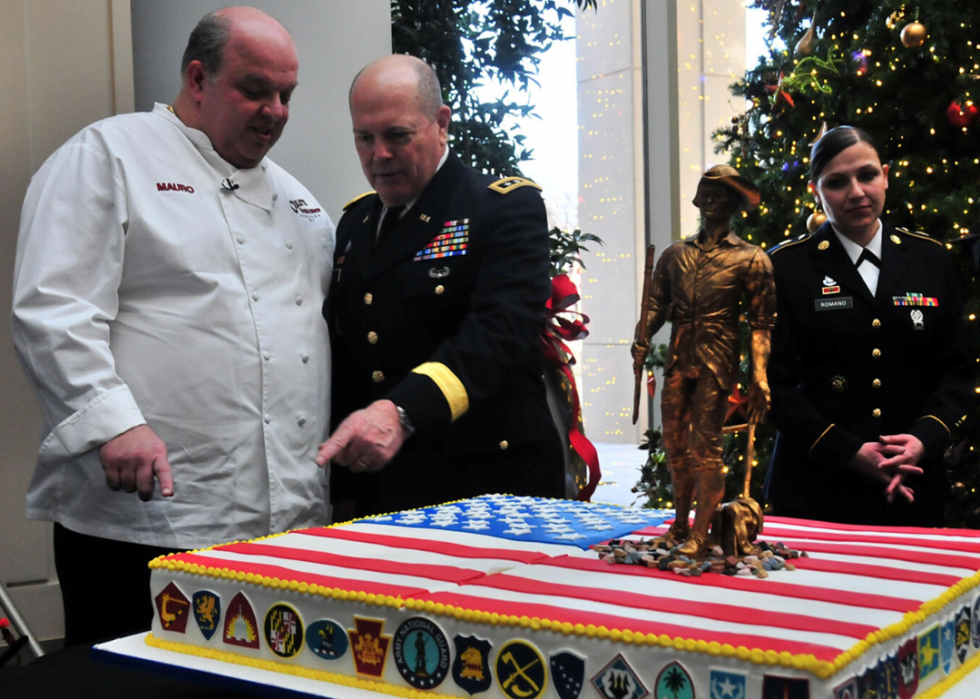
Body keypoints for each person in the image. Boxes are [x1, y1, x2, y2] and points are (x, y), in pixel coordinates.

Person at [11, 7, 334, 645]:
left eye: (286, 94)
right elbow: (54, 306)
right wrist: (114, 422)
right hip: (144, 521)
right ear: (196, 77)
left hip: (281, 520)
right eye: (254, 89)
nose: (275, 110)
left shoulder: (301, 202)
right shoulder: (109, 153)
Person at [317, 55, 564, 518]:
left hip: (491, 486)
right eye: (364, 138)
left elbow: (497, 334)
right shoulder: (355, 223)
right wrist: (345, 488)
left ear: (441, 123)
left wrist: (401, 411)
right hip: (386, 491)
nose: (379, 155)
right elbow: (353, 359)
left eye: (397, 136)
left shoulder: (502, 209)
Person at [764, 126, 972, 526]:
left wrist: (924, 440)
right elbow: (774, 385)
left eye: (867, 175)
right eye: (837, 182)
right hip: (814, 489)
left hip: (913, 485)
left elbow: (956, 373)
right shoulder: (784, 268)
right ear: (815, 191)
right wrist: (848, 451)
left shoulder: (931, 260)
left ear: (886, 176)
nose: (856, 192)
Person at [631, 165, 776, 556]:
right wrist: (641, 335)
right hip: (679, 357)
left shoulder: (752, 259)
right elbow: (657, 305)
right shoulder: (674, 255)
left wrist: (759, 376)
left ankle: (701, 531)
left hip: (717, 358)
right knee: (674, 443)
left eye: (720, 193)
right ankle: (679, 526)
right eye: (706, 191)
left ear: (733, 203)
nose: (712, 198)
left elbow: (761, 323)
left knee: (705, 446)